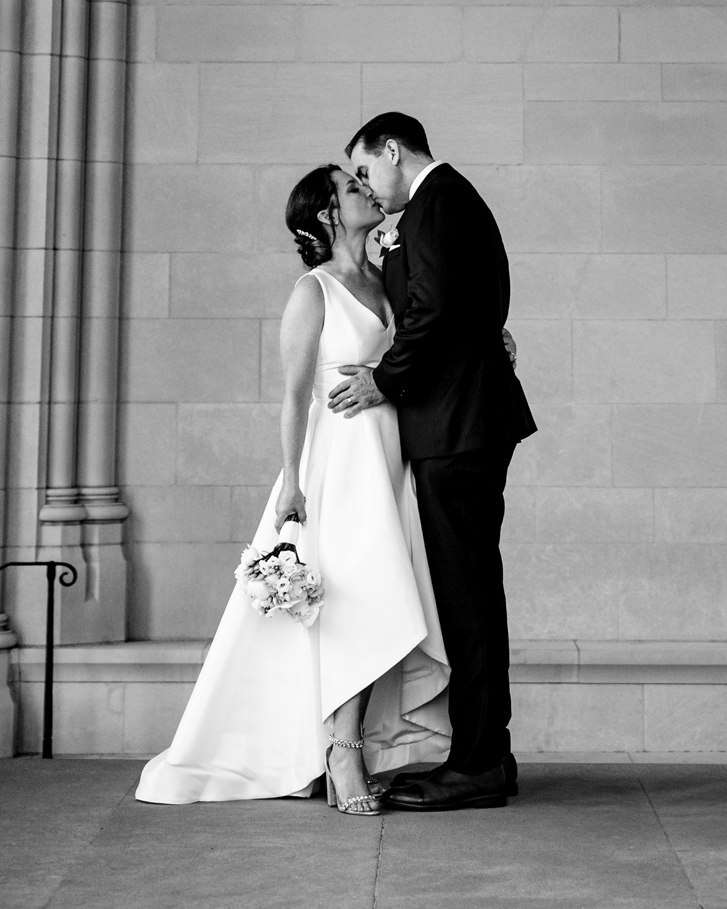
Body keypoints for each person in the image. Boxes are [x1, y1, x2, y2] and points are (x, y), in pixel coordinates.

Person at [135, 162, 448, 809]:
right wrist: (293, 485)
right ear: (327, 214)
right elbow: (294, 396)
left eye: (365, 183)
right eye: (352, 188)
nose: (367, 191)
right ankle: (342, 750)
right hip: (340, 464)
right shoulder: (314, 292)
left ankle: (353, 745)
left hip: (392, 456)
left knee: (384, 595)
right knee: (354, 600)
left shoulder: (389, 277)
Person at [330, 113, 536, 812]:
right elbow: (457, 305)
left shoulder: (437, 201)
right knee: (468, 596)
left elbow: (435, 308)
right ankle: (483, 756)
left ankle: (478, 763)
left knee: (469, 599)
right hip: (462, 422)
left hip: (457, 428)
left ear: (393, 150)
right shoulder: (443, 204)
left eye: (366, 169)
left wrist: (382, 380)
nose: (367, 185)